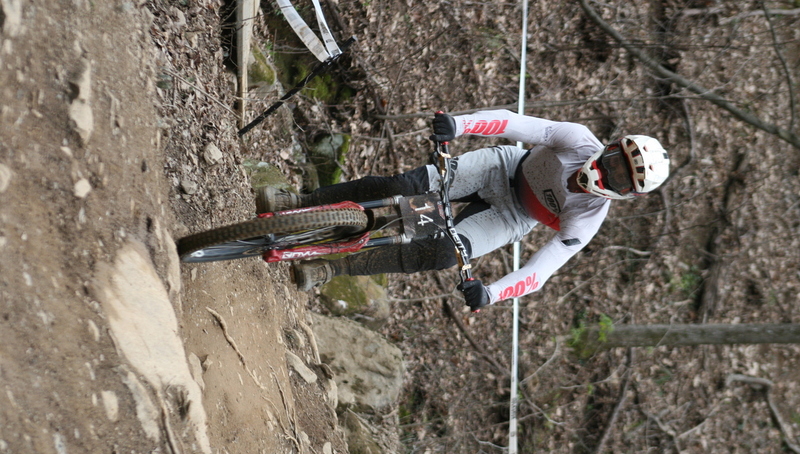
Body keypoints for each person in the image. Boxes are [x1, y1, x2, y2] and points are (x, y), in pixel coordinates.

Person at [255, 110, 670, 310]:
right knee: (406, 187)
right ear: (612, 145)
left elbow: (541, 270)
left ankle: (332, 268)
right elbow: (514, 123)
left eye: (618, 175)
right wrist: (460, 124)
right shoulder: (578, 139)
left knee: (437, 251)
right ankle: (301, 203)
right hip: (500, 169)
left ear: (626, 193)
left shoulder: (587, 219)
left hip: (513, 217)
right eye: (615, 158)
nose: (606, 169)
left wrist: (490, 292)